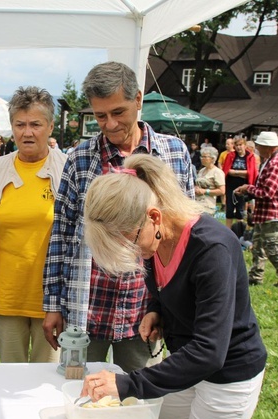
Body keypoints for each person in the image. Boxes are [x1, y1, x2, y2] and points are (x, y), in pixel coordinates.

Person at [80, 154, 266, 419]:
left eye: (128, 243)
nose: (131, 255)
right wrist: (157, 309)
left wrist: (126, 384)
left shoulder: (212, 249)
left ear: (154, 217)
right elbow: (170, 285)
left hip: (228, 374)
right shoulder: (153, 237)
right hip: (185, 366)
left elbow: (210, 351)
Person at [43, 61, 194, 373]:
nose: (109, 124)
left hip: (145, 308)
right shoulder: (81, 158)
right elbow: (61, 232)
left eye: (118, 112)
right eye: (100, 116)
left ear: (138, 100)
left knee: (140, 399)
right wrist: (53, 304)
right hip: (87, 305)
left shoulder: (174, 154)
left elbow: (186, 236)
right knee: (76, 392)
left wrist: (172, 306)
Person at [0, 86, 67, 363]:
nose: (27, 132)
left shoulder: (67, 170)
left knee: (45, 380)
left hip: (51, 299)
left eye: (36, 124)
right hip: (6, 295)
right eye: (20, 125)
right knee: (10, 378)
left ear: (50, 127)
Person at [235, 131, 278, 288]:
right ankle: (256, 276)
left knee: (273, 249)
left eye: (260, 146)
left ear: (270, 147)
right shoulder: (269, 160)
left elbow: (267, 192)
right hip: (265, 213)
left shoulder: (276, 163)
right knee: (258, 247)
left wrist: (247, 188)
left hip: (273, 213)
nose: (257, 148)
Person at [222, 137, 257, 228]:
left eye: (240, 145)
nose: (238, 147)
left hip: (243, 185)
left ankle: (239, 231)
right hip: (230, 185)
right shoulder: (230, 155)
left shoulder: (250, 156)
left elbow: (251, 172)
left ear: (245, 145)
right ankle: (228, 230)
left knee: (240, 209)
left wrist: (236, 172)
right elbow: (227, 170)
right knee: (229, 209)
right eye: (236, 145)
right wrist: (242, 173)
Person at [194, 146, 225, 215]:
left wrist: (205, 191)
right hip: (196, 203)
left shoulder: (217, 172)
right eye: (201, 157)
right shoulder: (201, 171)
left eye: (205, 157)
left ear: (212, 158)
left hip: (208, 206)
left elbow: (222, 191)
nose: (202, 159)